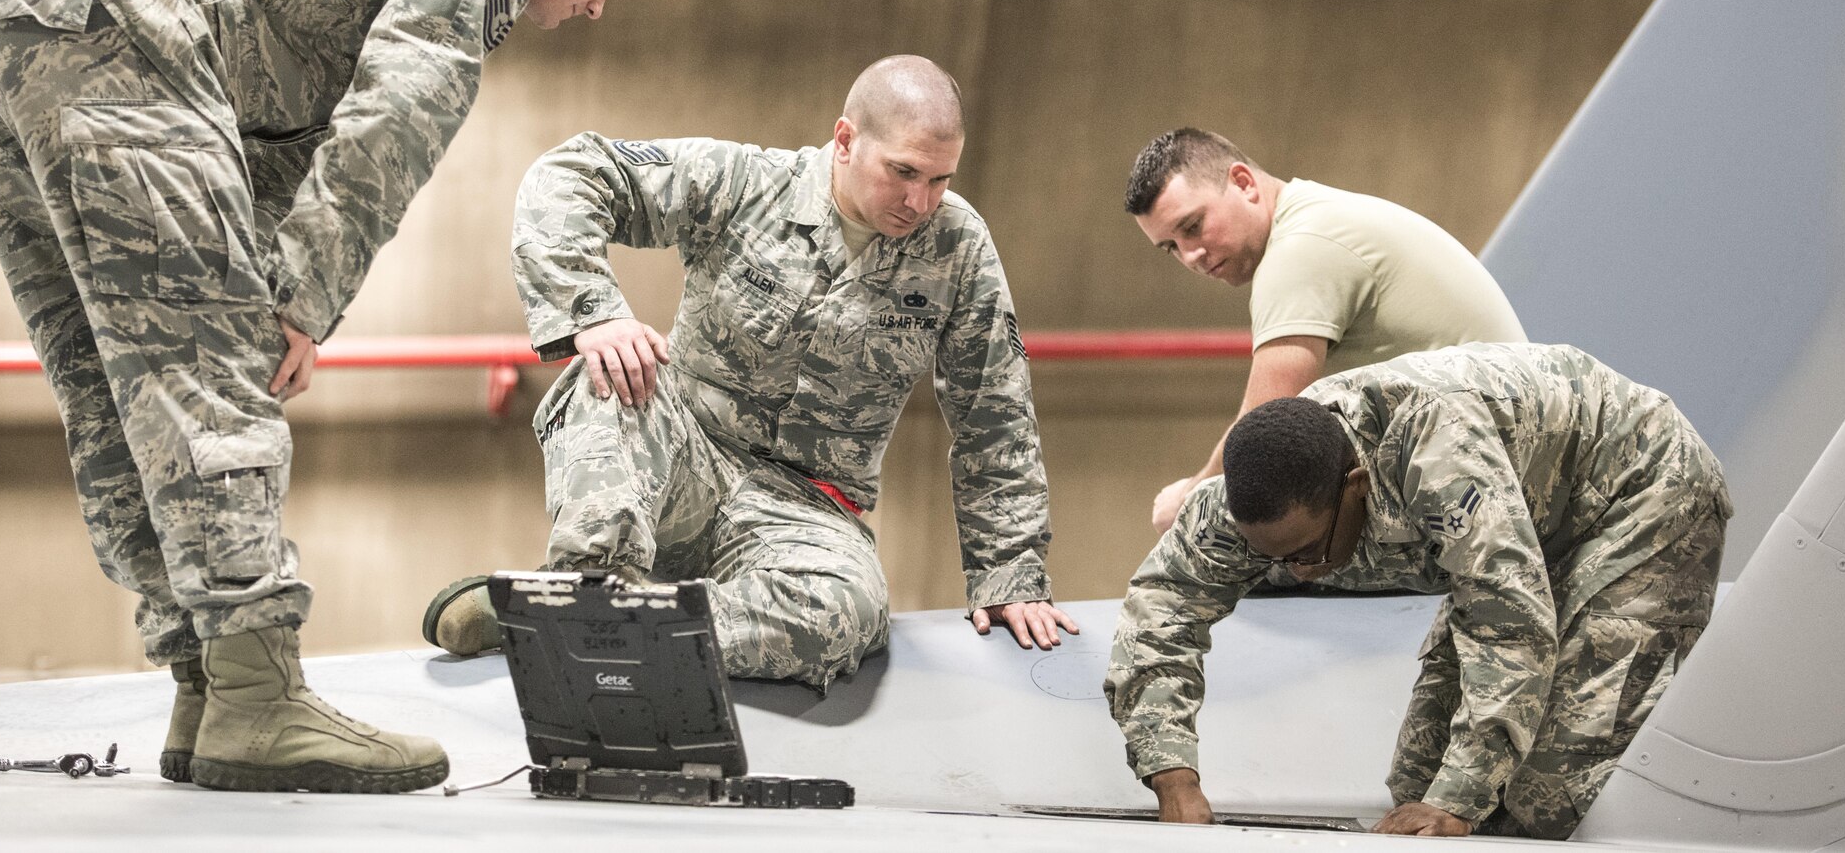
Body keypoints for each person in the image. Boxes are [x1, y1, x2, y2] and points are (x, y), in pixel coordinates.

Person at [0, 0, 671, 793]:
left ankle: (208, 681)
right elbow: (403, 106)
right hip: (112, 15)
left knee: (114, 382)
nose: (594, 9)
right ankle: (257, 694)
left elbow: (283, 138)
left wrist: (278, 283)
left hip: (0, 12)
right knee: (204, 363)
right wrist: (302, 297)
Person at [422, 55, 1077, 687]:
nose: (921, 200)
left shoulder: (958, 248)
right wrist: (592, 310)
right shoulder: (744, 183)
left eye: (941, 180)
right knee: (608, 378)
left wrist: (1007, 574)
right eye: (903, 171)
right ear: (845, 140)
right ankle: (590, 581)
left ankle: (609, 620)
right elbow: (575, 172)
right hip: (683, 456)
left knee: (850, 611)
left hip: (809, 509)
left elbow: (994, 410)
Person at [1104, 343, 1731, 838]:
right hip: (1525, 519)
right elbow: (1161, 615)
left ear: (1355, 486)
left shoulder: (1435, 453)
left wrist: (1459, 802)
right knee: (1416, 784)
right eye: (1273, 561)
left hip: (1638, 491)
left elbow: (1508, 619)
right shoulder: (1239, 505)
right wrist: (1172, 775)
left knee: (1543, 789)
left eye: (1307, 552)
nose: (1296, 573)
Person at [1126, 129, 1525, 533]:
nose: (1190, 255)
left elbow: (1263, 435)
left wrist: (1188, 499)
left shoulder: (1299, 249)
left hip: (1496, 486)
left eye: (1193, 226)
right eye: (1171, 247)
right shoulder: (1318, 215)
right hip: (1506, 460)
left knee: (1218, 540)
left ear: (1243, 183)